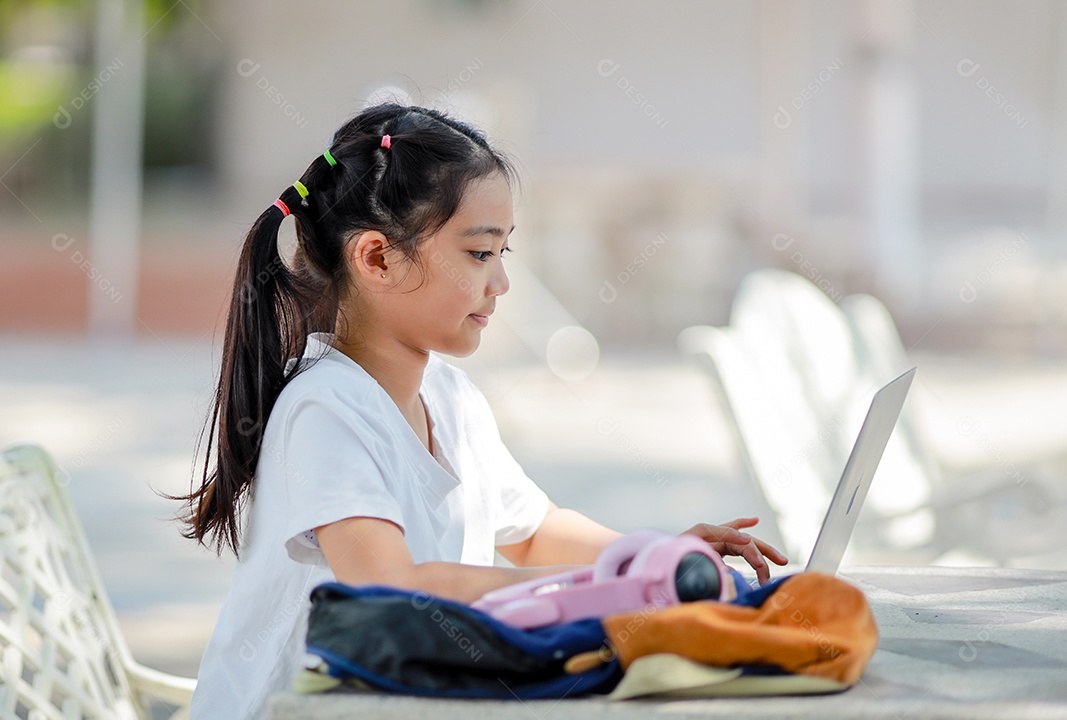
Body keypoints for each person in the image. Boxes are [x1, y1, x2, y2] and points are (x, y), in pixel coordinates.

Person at [171, 102, 786, 719]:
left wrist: (653, 558)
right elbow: (391, 592)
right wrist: (612, 594)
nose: (501, 284)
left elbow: (536, 532)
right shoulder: (324, 410)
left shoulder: (450, 396)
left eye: (503, 253)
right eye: (479, 254)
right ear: (377, 258)